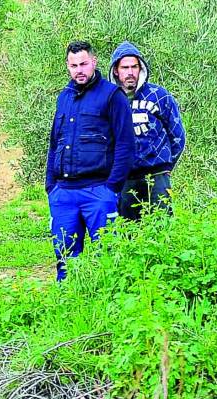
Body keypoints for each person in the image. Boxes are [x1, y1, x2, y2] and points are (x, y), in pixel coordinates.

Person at [46, 41, 135, 281]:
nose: (79, 70)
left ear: (94, 62)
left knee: (106, 257)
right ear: (67, 66)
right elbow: (54, 143)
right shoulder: (63, 97)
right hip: (63, 193)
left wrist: (112, 188)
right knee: (65, 258)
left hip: (99, 190)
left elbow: (126, 145)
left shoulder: (112, 96)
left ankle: (106, 308)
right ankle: (67, 308)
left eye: (84, 64)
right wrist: (50, 187)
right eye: (74, 65)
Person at [108, 41, 186, 220]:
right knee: (128, 232)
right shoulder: (109, 99)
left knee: (162, 228)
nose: (130, 72)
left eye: (134, 67)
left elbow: (178, 135)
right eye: (125, 67)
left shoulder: (159, 95)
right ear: (116, 70)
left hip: (157, 175)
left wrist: (166, 165)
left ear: (140, 68)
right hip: (125, 177)